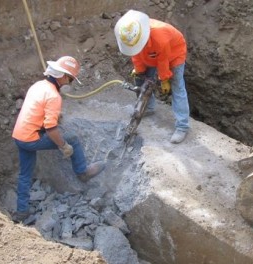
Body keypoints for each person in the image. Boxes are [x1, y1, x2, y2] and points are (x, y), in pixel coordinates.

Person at [11, 56, 105, 223]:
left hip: (19, 135)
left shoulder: (39, 85)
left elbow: (36, 107)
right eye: (70, 79)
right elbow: (51, 129)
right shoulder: (54, 96)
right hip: (32, 138)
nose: (70, 83)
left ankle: (22, 213)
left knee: (25, 175)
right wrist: (64, 146)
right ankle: (83, 172)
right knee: (73, 139)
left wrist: (54, 115)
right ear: (62, 76)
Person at [114, 10, 190, 144]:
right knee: (141, 79)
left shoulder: (160, 37)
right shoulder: (131, 36)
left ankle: (182, 126)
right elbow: (136, 54)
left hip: (173, 53)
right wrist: (139, 71)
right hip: (151, 54)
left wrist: (165, 79)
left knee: (177, 86)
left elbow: (163, 61)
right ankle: (148, 108)